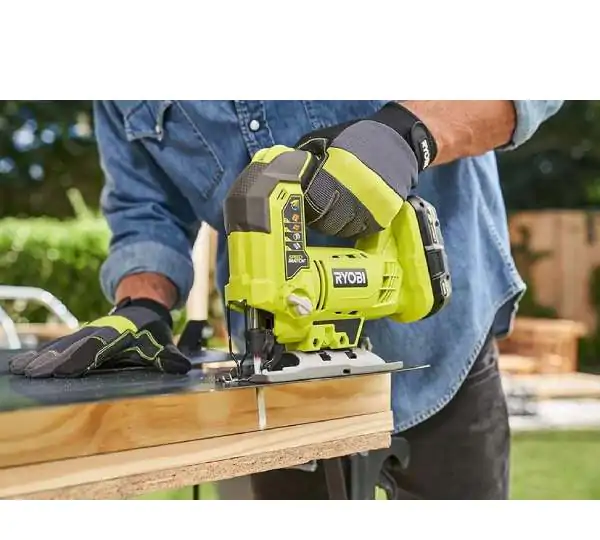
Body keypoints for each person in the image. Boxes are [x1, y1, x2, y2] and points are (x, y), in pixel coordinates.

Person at [9, 100, 563, 499]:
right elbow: (143, 210)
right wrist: (142, 306)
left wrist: (406, 134)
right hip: (275, 386)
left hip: (441, 347)